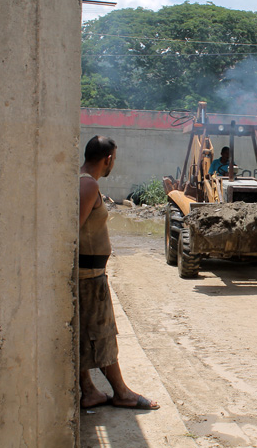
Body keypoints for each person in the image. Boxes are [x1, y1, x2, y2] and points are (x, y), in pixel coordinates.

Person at [79, 135, 159, 411]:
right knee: (102, 333)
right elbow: (72, 229)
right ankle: (121, 392)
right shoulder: (88, 186)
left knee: (83, 333)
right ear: (108, 159)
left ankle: (89, 390)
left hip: (88, 273)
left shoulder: (83, 182)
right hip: (88, 276)